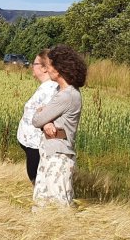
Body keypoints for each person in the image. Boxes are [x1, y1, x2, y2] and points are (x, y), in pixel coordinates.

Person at [31, 44, 87, 208]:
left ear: (60, 69)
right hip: (51, 153)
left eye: (50, 66)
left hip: (58, 156)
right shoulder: (59, 91)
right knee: (42, 203)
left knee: (59, 204)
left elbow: (36, 119)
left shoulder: (67, 96)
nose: (47, 69)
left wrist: (43, 119)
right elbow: (41, 119)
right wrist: (46, 123)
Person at [16, 49, 58, 184]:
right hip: (32, 144)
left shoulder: (51, 88)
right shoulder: (46, 87)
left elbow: (47, 115)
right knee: (36, 179)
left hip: (37, 145)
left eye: (35, 64)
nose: (31, 66)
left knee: (37, 180)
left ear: (45, 68)